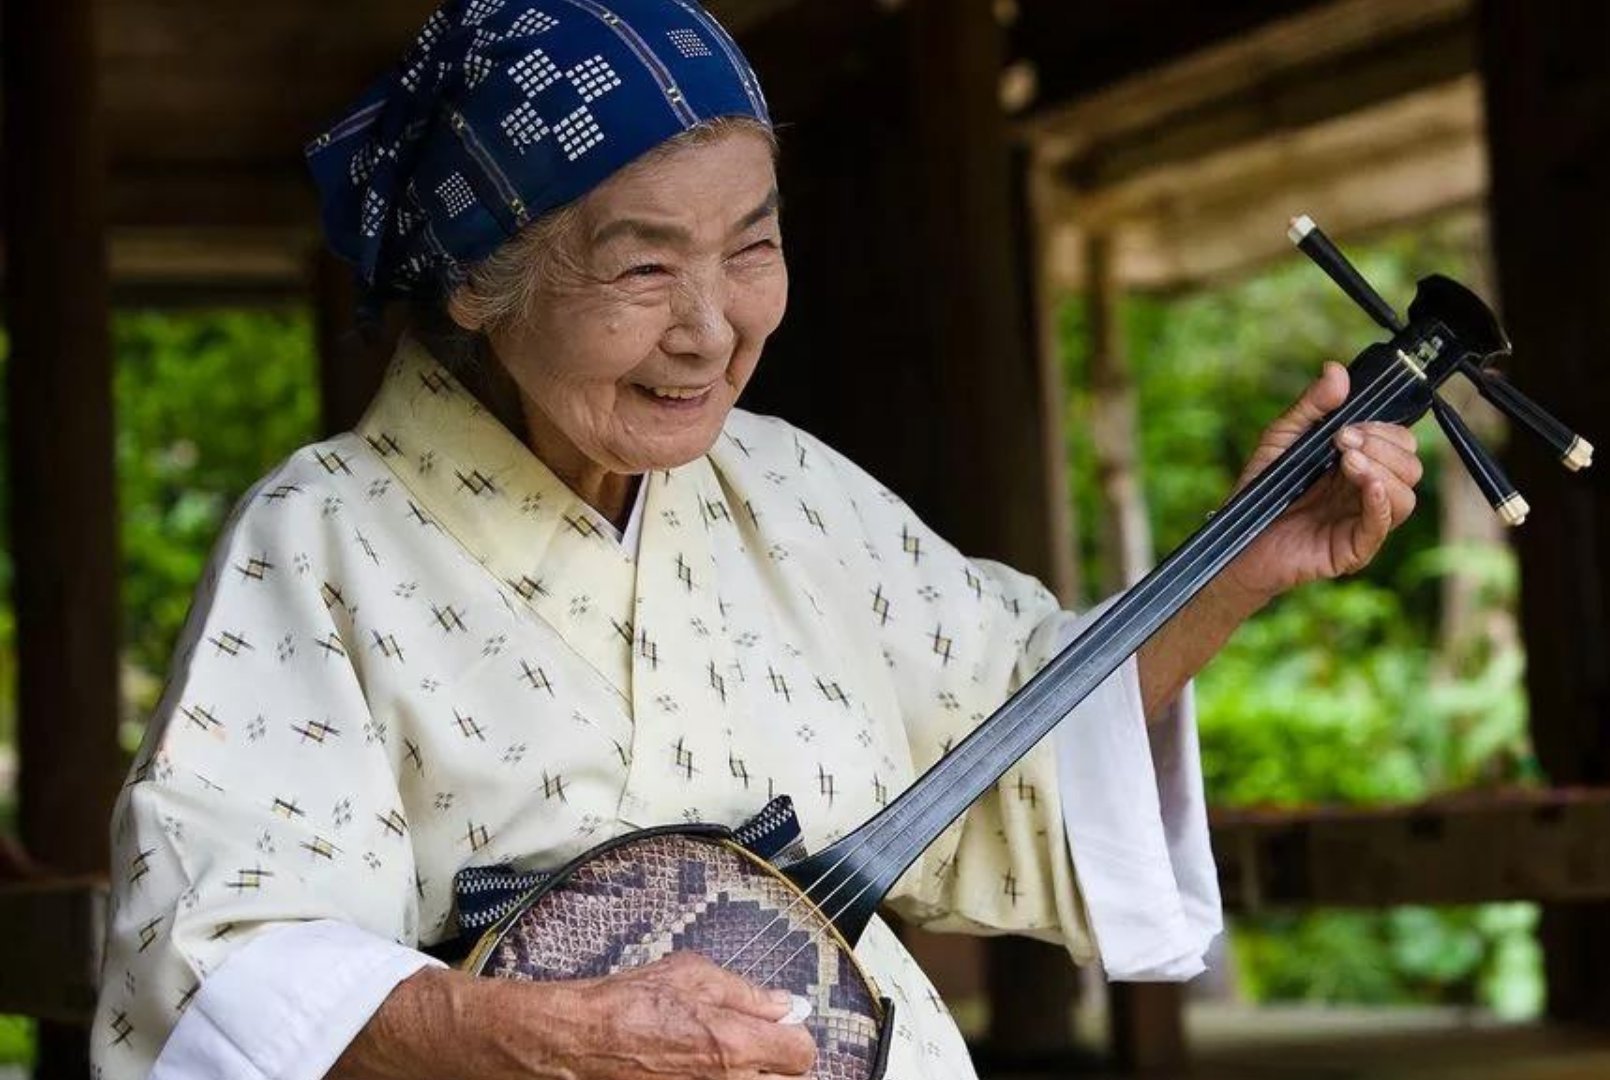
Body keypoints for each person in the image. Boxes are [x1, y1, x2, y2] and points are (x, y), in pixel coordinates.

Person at [90, 2, 1422, 1077]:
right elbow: (220, 954)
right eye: (643, 266)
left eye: (752, 247)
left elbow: (1021, 727)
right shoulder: (325, 539)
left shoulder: (788, 492)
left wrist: (1248, 562)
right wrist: (542, 1039)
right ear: (477, 281)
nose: (715, 326)